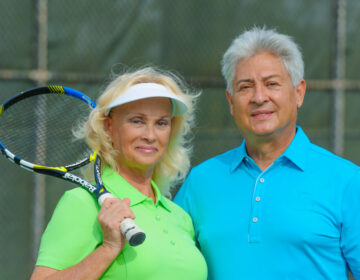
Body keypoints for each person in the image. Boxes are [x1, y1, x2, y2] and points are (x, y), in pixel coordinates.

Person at [174, 27, 360, 279]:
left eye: (271, 84)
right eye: (245, 87)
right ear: (230, 101)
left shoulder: (348, 181)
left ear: (299, 92)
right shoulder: (200, 181)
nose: (259, 97)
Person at [30, 67, 207, 280]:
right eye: (137, 121)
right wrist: (109, 248)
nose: (150, 135)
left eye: (161, 123)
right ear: (109, 127)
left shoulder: (180, 217)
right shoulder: (81, 204)